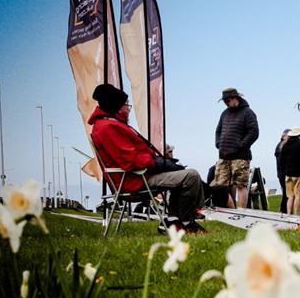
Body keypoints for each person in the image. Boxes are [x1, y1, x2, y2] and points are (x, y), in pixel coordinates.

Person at [88, 84, 205, 233]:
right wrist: (160, 163)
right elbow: (132, 160)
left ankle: (174, 221)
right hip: (134, 180)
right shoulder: (108, 127)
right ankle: (184, 222)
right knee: (191, 176)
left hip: (137, 177)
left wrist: (162, 163)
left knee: (183, 176)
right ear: (117, 107)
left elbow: (132, 155)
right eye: (126, 105)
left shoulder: (107, 125)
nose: (128, 109)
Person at [214, 87, 259, 208]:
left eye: (227, 101)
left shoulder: (248, 112)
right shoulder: (225, 113)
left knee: (240, 185)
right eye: (224, 101)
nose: (226, 103)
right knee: (220, 185)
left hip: (241, 156)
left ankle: (241, 213)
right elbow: (218, 131)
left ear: (235, 98)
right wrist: (218, 143)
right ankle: (230, 211)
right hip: (223, 156)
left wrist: (241, 145)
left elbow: (254, 132)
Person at [280, 127, 300, 215]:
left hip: (288, 174)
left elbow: (281, 161)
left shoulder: (285, 146)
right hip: (299, 174)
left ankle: (289, 213)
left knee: (290, 196)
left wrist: (285, 171)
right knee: (298, 195)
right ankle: (296, 213)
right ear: (299, 135)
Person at [274, 129, 290, 213]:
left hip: (281, 172)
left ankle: (283, 210)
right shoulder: (282, 145)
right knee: (286, 192)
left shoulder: (281, 145)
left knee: (286, 192)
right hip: (283, 172)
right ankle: (283, 210)